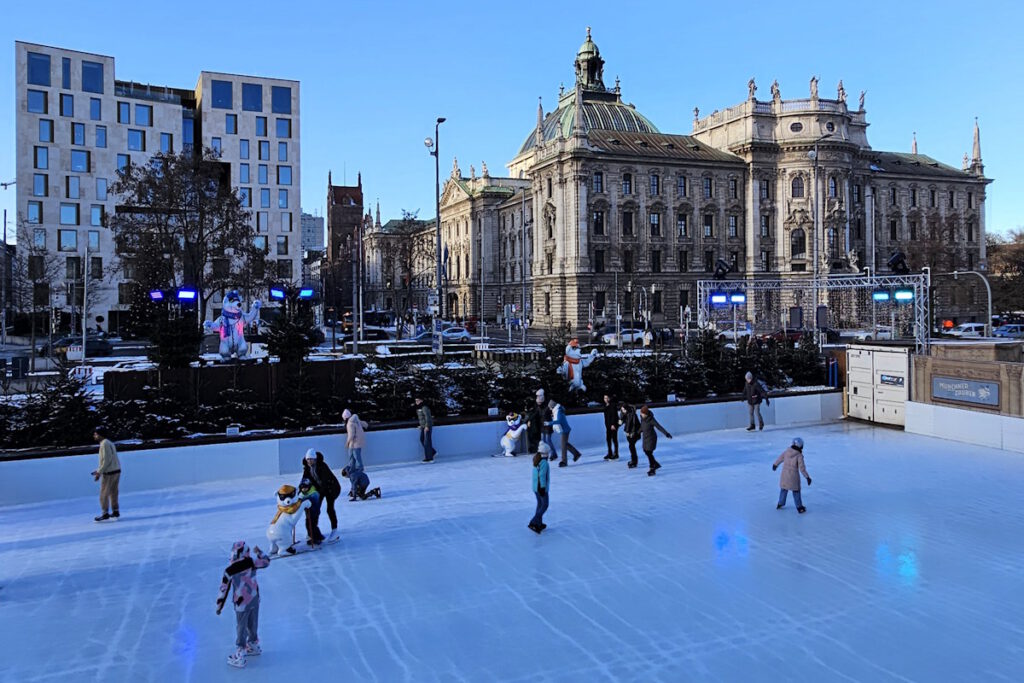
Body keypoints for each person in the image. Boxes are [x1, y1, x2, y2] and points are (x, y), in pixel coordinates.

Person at [217, 541, 271, 668]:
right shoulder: (251, 562)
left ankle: (240, 653)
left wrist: (219, 606)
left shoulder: (229, 570)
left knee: (241, 626)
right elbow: (266, 561)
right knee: (253, 623)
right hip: (254, 599)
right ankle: (253, 644)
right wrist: (259, 552)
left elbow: (223, 589)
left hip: (241, 602)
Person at [302, 449, 341, 542]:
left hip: (332, 488)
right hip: (321, 489)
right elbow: (304, 480)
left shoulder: (322, 466)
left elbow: (324, 482)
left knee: (330, 509)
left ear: (315, 459)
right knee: (315, 509)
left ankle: (334, 531)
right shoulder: (307, 468)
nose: (309, 461)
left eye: (311, 459)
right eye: (308, 459)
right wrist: (302, 488)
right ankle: (312, 531)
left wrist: (318, 493)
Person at [773, 437, 812, 513]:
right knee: (796, 491)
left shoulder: (786, 451)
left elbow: (780, 458)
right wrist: (807, 477)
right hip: (793, 477)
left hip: (784, 475)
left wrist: (775, 464)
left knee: (783, 489)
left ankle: (780, 503)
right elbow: (802, 468)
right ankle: (799, 507)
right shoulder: (799, 455)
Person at [91, 427, 121, 522]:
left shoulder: (104, 444)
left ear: (100, 434)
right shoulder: (109, 443)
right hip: (116, 470)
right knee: (113, 492)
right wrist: (99, 470)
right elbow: (109, 459)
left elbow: (106, 460)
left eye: (95, 434)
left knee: (104, 494)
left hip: (109, 473)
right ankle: (115, 511)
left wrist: (99, 472)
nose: (94, 436)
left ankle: (105, 513)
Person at [638, 404, 672, 476]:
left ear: (646, 414)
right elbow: (642, 427)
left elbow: (659, 427)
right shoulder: (642, 418)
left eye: (642, 413)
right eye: (641, 413)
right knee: (646, 451)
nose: (640, 414)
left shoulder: (651, 419)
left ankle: (652, 469)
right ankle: (655, 464)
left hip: (651, 438)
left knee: (649, 453)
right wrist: (637, 432)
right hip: (645, 438)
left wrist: (666, 434)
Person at [550, 399, 581, 467]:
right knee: (565, 444)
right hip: (563, 429)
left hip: (565, 430)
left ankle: (564, 461)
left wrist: (550, 423)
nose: (550, 409)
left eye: (550, 407)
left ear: (552, 407)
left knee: (563, 445)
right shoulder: (557, 411)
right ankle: (576, 454)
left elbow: (559, 421)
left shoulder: (559, 411)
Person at [297, 477, 324, 546]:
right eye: (302, 488)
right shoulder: (304, 493)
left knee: (310, 525)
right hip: (309, 513)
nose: (304, 489)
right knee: (312, 525)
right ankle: (319, 536)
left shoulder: (314, 493)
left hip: (314, 512)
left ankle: (314, 538)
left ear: (309, 486)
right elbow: (300, 498)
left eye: (305, 487)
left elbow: (312, 501)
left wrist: (303, 501)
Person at [528, 450, 550, 534]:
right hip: (541, 487)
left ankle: (538, 523)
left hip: (535, 488)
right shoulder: (544, 462)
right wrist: (543, 488)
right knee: (545, 505)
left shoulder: (537, 459)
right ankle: (534, 521)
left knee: (540, 504)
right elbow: (542, 476)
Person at [343, 408, 368, 474]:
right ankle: (352, 467)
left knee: (356, 455)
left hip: (355, 442)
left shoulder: (350, 423)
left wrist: (347, 443)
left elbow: (351, 435)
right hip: (358, 441)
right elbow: (363, 423)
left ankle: (360, 468)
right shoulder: (355, 419)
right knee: (352, 454)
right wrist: (366, 425)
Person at [619, 403, 642, 469]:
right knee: (631, 446)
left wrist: (632, 433)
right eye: (621, 410)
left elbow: (636, 425)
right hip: (628, 433)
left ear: (626, 409)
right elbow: (621, 422)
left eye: (623, 409)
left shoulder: (633, 415)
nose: (622, 411)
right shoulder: (624, 415)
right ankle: (634, 460)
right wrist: (620, 420)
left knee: (631, 446)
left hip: (634, 433)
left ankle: (634, 461)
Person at [415, 397, 436, 462]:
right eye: (416, 400)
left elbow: (428, 417)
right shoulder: (419, 408)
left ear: (421, 400)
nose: (417, 401)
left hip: (427, 426)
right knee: (422, 439)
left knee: (427, 442)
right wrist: (421, 426)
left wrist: (427, 426)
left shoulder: (424, 407)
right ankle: (432, 452)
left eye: (418, 400)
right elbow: (422, 418)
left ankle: (429, 458)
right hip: (423, 426)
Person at [602, 394, 620, 460]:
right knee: (608, 439)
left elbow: (614, 415)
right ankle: (610, 453)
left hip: (613, 425)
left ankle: (616, 453)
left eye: (607, 398)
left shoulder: (612, 405)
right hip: (608, 425)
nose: (605, 399)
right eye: (604, 398)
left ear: (609, 398)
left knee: (614, 439)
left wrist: (613, 424)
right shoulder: (605, 405)